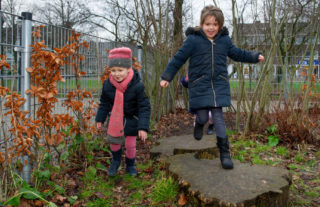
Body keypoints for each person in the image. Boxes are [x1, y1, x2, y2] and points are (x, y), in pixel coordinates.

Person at [160, 5, 264, 169]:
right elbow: (178, 59)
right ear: (202, 24)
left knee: (218, 117)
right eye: (207, 24)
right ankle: (200, 124)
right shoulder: (193, 40)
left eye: (215, 24)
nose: (211, 28)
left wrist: (254, 56)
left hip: (219, 83)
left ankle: (225, 154)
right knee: (202, 116)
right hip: (199, 85)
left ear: (220, 26)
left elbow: (237, 53)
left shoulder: (224, 40)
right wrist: (167, 76)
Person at [96, 47, 150, 176]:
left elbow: (144, 107)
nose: (116, 74)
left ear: (128, 69)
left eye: (120, 70)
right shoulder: (107, 84)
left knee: (130, 145)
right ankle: (116, 161)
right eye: (113, 70)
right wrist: (100, 119)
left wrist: (143, 127)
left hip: (132, 119)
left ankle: (130, 165)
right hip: (115, 118)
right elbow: (104, 103)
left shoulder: (137, 86)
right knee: (114, 143)